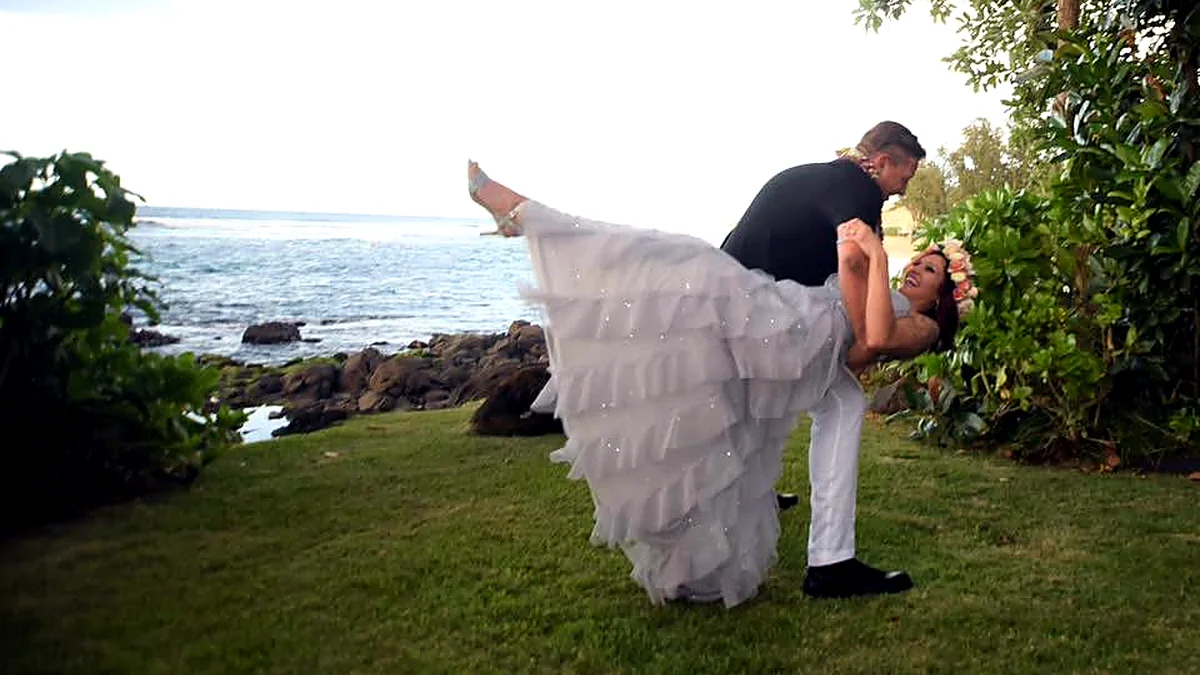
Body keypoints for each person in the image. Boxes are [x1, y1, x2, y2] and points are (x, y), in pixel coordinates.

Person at [466, 156, 975, 607]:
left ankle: (528, 218)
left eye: (930, 271)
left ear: (944, 296)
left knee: (687, 263)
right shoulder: (890, 289)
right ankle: (708, 567)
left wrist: (874, 260)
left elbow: (872, 339)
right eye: (920, 262)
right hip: (788, 320)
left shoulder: (924, 325)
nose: (917, 271)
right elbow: (856, 314)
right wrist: (858, 265)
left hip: (790, 330)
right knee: (705, 399)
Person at [719, 121, 930, 597]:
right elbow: (853, 262)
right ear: (881, 162)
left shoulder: (817, 176)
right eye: (905, 175)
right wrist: (865, 342)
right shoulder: (857, 190)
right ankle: (831, 563)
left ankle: (753, 497)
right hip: (755, 314)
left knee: (750, 401)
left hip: (728, 306)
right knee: (841, 405)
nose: (903, 187)